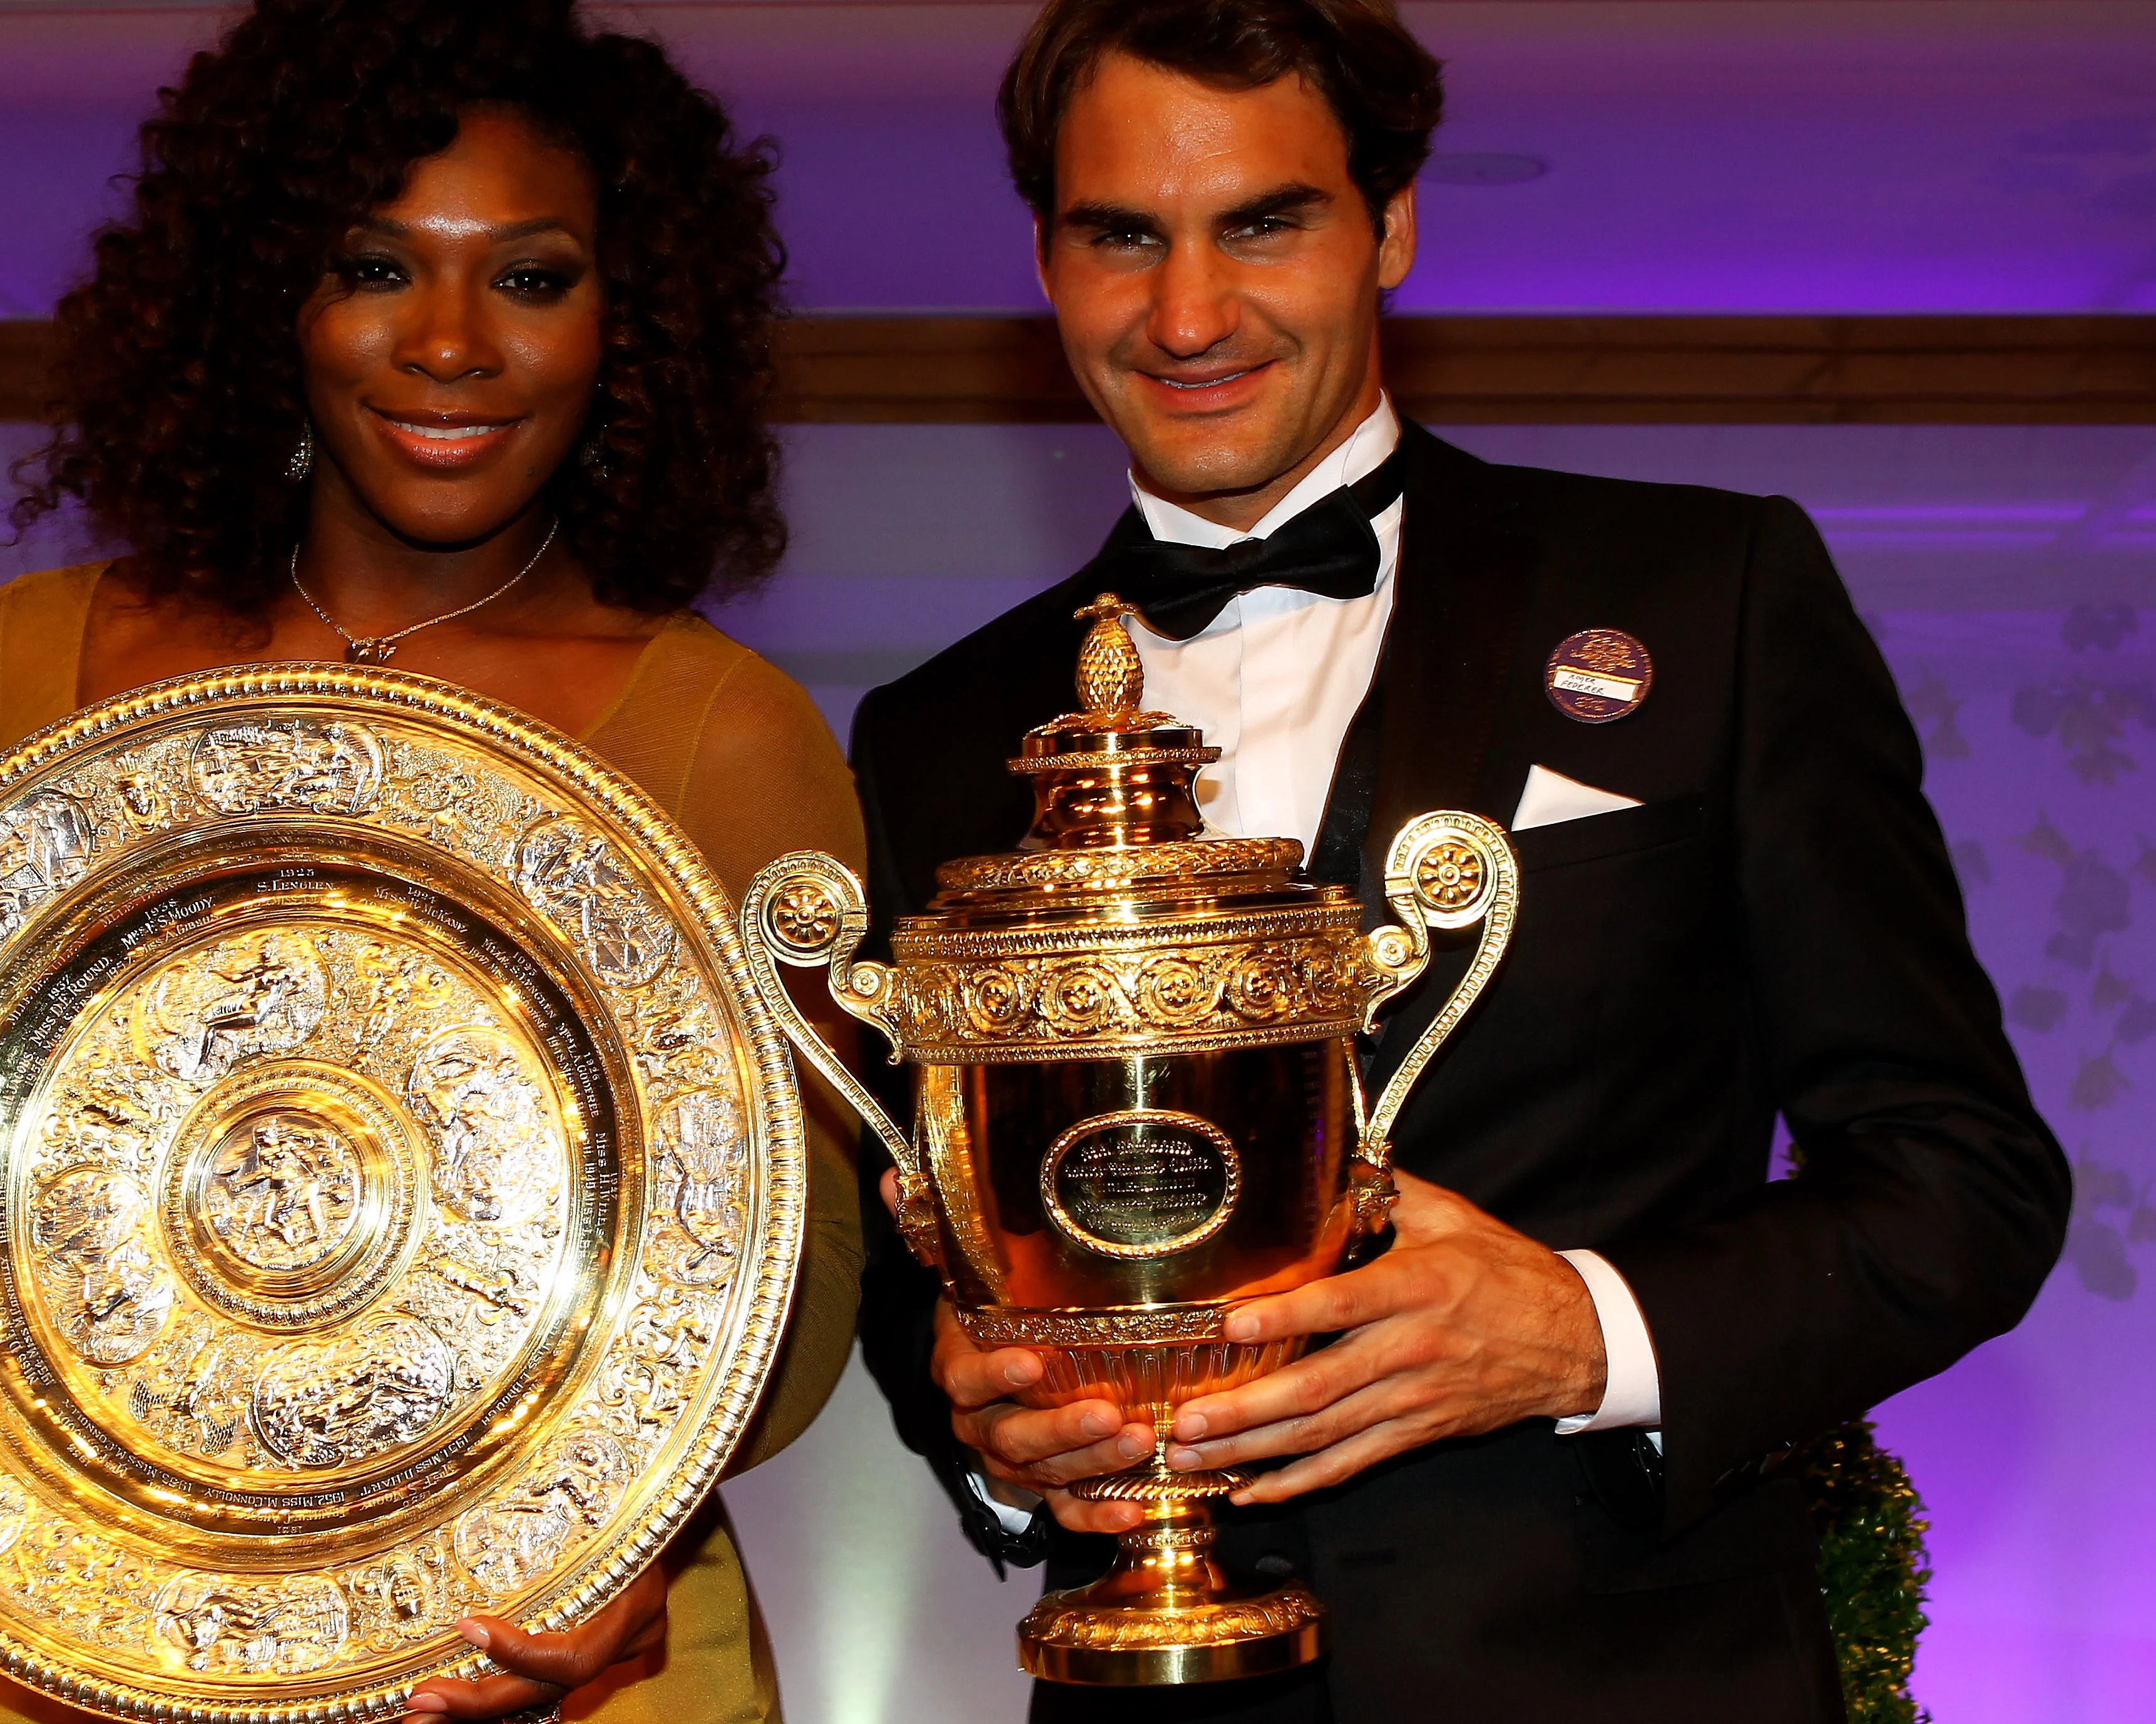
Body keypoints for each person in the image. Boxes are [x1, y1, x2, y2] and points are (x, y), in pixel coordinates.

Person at [847, 1, 2072, 1718]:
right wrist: (993, 1429)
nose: (1186, 314)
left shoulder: (1705, 598)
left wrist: (1585, 1334)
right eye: (1120, 235)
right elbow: (923, 1252)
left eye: (1263, 221)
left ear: (1392, 221)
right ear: (1046, 258)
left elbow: (1967, 1183)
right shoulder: (935, 727)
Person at [0, 4, 861, 1720]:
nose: (450, 343)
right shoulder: (27, 674)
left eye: (529, 278)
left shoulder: (719, 738)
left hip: (559, 1653)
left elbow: (804, 1277)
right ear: (269, 300)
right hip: (109, 1644)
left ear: (630, 326)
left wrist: (630, 1523)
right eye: (373, 266)